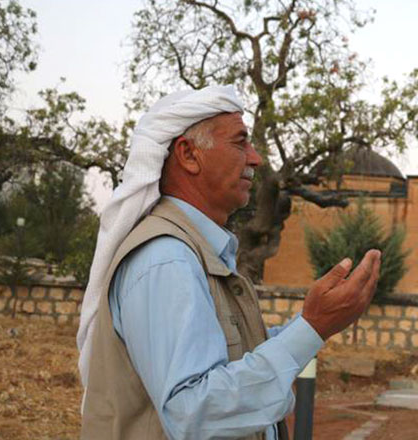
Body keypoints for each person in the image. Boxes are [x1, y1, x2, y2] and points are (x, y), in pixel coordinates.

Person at [76, 86, 382, 439]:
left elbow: (230, 360)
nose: (255, 158)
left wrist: (317, 322)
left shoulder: (195, 251)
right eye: (240, 143)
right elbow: (194, 413)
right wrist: (312, 328)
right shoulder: (166, 259)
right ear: (189, 155)